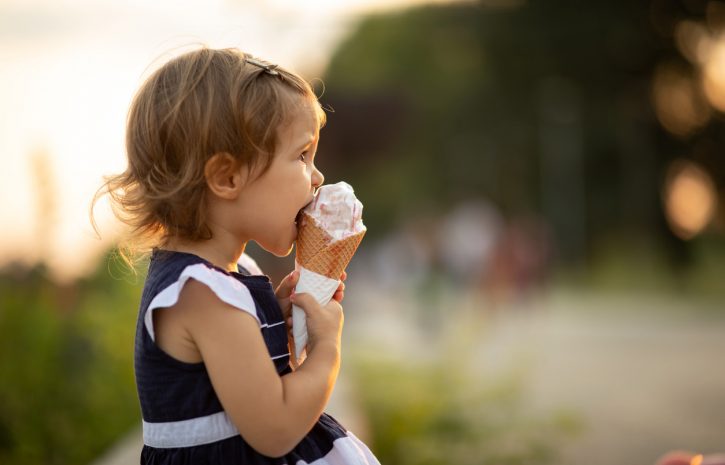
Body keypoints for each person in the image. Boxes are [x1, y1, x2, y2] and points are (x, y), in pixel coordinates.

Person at [92, 47, 380, 464]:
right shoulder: (202, 294)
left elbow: (241, 383)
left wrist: (275, 327)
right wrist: (327, 352)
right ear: (227, 177)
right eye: (302, 155)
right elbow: (276, 429)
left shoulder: (231, 277)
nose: (317, 177)